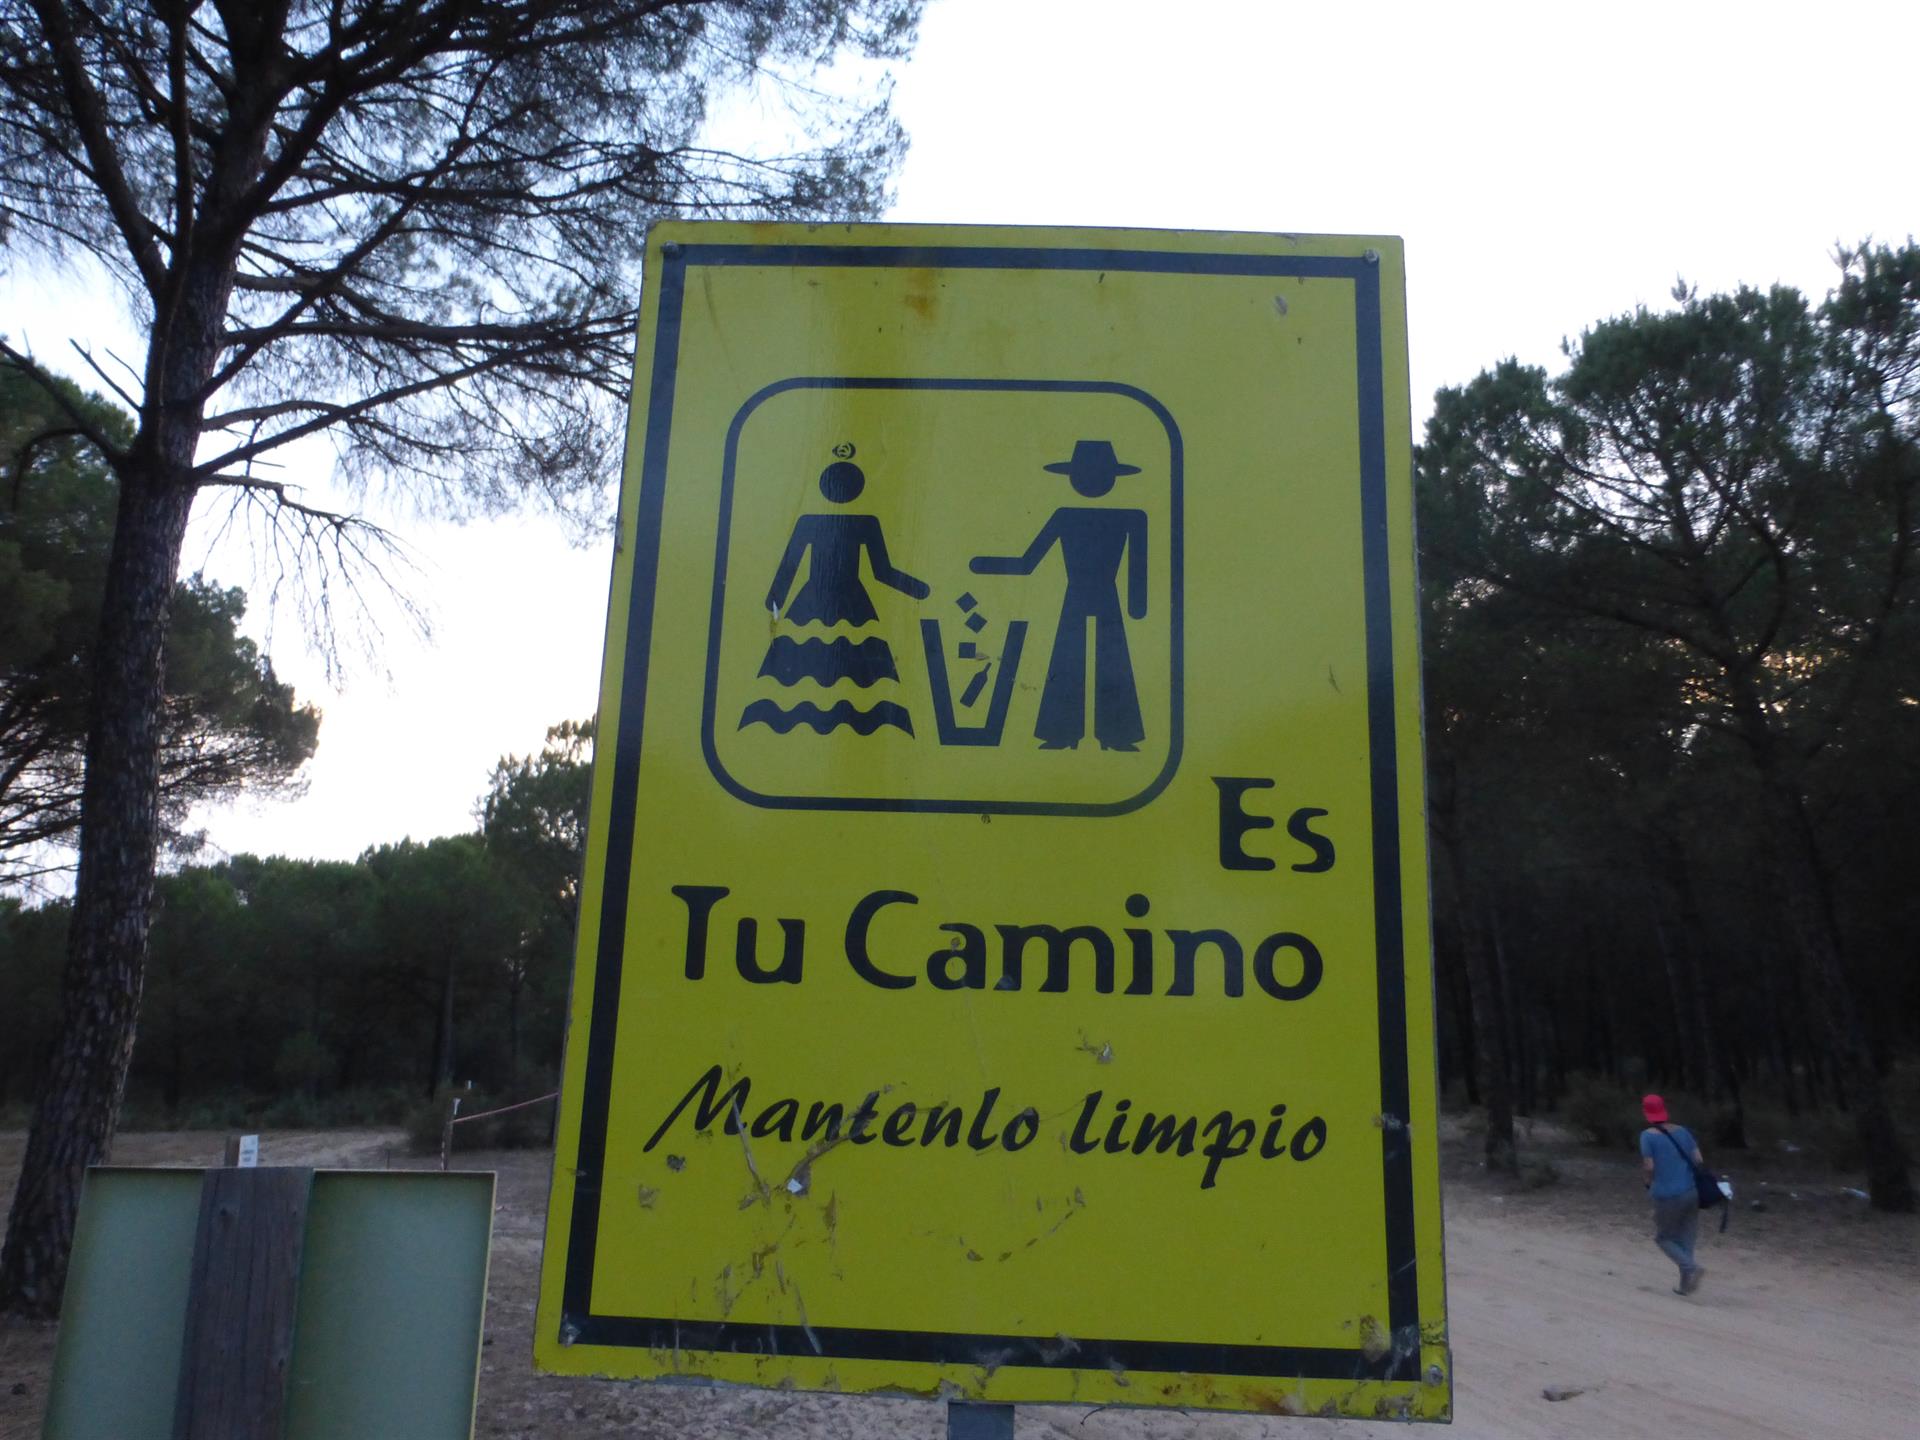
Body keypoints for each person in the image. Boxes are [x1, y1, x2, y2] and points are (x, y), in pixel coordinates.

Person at [970, 439, 1148, 751]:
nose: (1090, 482)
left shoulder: (1131, 517)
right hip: (1076, 593)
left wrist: (1137, 603)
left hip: (1107, 595)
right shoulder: (1065, 516)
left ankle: (1116, 734)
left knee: (1114, 660)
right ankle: (1063, 733)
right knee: (1067, 659)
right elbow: (1028, 562)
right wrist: (986, 564)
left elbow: (1138, 564)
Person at [1639, 1093, 1707, 1295]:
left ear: (1646, 1112)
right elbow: (1698, 1159)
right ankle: (1685, 1285)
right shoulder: (1683, 1131)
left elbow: (1649, 1166)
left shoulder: (1647, 1136)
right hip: (1691, 1192)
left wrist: (1648, 1182)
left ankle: (1692, 1268)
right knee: (1686, 1238)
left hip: (1666, 1195)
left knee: (1664, 1238)